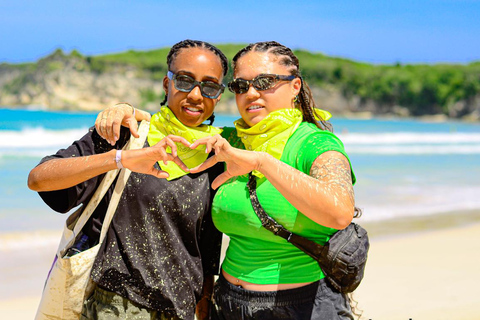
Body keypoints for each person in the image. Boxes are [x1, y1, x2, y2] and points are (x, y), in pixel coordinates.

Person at [98, 41, 360, 320]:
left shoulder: (315, 143)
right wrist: (128, 112)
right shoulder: (232, 141)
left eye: (264, 82)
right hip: (228, 306)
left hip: (300, 306)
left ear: (295, 86)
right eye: (241, 86)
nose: (251, 93)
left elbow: (340, 211)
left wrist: (262, 162)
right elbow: (177, 128)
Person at [27, 39, 230, 320]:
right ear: (166, 84)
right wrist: (120, 158)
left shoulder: (217, 153)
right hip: (115, 304)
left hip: (179, 310)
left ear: (218, 95)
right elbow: (39, 178)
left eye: (209, 86)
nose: (196, 94)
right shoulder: (127, 134)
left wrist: (206, 297)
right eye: (184, 81)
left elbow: (207, 240)